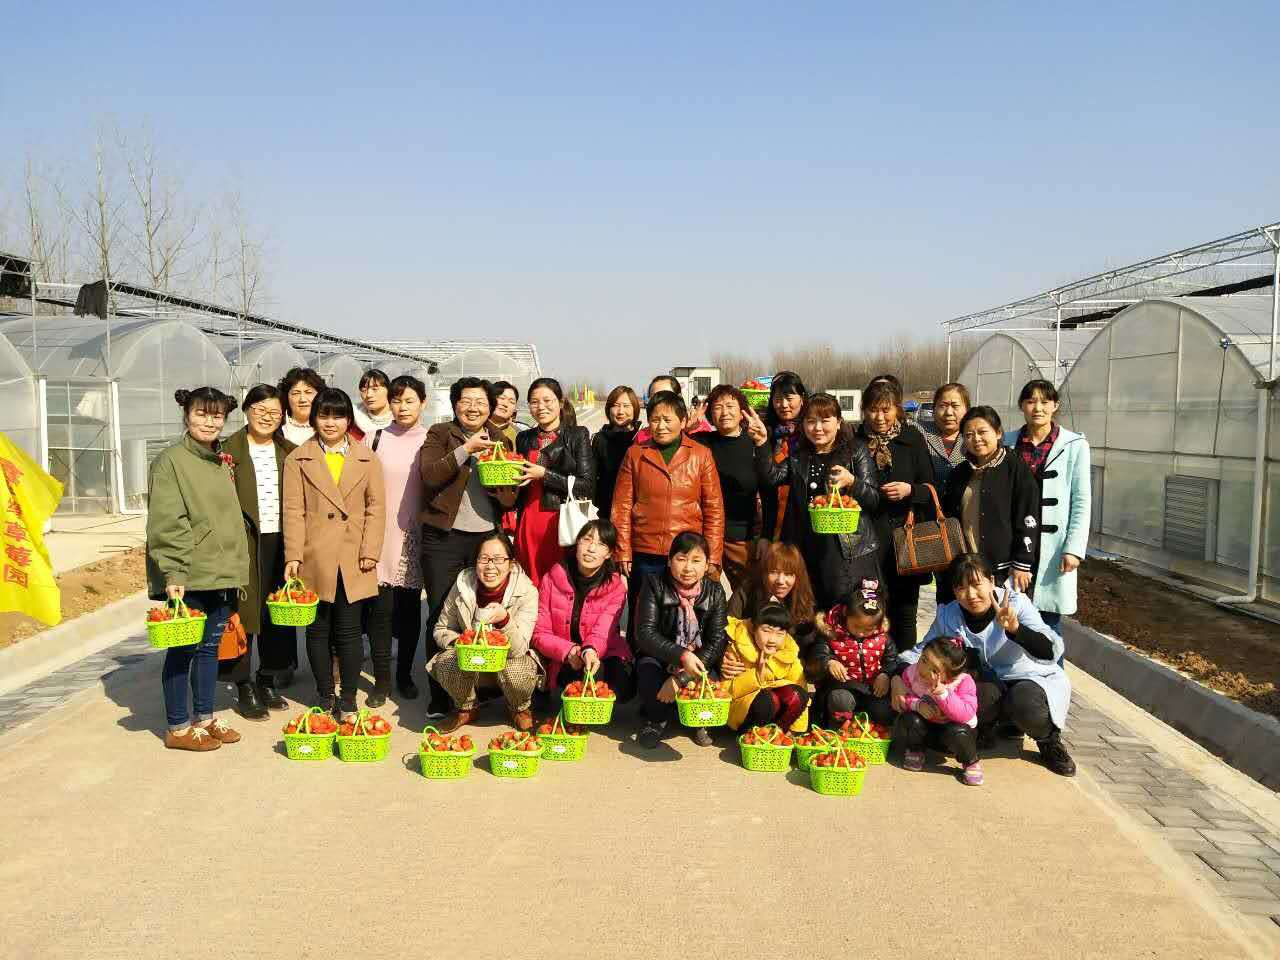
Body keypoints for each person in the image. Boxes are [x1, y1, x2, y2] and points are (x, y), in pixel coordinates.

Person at [897, 553, 1074, 776]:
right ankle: (983, 729)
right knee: (969, 696)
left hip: (1027, 678)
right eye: (961, 588)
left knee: (1025, 703)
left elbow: (1051, 649)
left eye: (976, 584)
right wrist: (897, 676)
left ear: (991, 580)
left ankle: (1048, 741)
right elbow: (920, 652)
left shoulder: (1016, 604)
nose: (970, 595)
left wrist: (1016, 629)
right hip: (987, 684)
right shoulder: (949, 615)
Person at [145, 387, 248, 751]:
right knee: (183, 650)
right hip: (190, 573)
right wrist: (174, 573)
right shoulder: (171, 462)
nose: (209, 422)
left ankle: (203, 719)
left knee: (209, 648)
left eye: (217, 415)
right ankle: (177, 727)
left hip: (220, 570)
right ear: (186, 415)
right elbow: (167, 521)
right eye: (201, 413)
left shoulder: (219, 459)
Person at [282, 388, 386, 720]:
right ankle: (325, 694)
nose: (330, 422)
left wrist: (370, 550)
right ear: (314, 419)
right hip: (315, 554)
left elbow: (376, 508)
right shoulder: (297, 459)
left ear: (348, 420)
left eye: (338, 415)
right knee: (317, 629)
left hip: (354, 554)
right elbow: (293, 511)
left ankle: (349, 697)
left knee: (350, 629)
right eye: (323, 415)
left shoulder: (367, 458)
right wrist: (293, 555)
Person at [418, 377, 519, 715]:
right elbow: (429, 475)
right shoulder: (440, 434)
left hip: (484, 540)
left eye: (481, 402)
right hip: (443, 539)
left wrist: (497, 475)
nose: (474, 408)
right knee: (441, 615)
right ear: (455, 404)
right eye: (466, 401)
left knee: (480, 615)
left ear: (491, 408)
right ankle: (439, 694)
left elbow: (509, 498)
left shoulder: (501, 440)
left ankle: (474, 689)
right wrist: (466, 450)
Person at [749, 393, 880, 609]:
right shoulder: (799, 455)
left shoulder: (856, 451)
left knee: (843, 612)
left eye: (825, 420)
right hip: (806, 548)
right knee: (805, 610)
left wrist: (852, 482)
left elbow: (874, 500)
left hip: (845, 551)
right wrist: (762, 443)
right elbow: (771, 477)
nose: (817, 428)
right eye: (810, 421)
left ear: (838, 422)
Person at [611, 391, 725, 628]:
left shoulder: (701, 455)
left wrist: (713, 557)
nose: (661, 426)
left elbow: (714, 509)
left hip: (686, 553)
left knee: (681, 621)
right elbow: (621, 507)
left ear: (683, 421)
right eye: (655, 419)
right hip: (645, 552)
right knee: (642, 620)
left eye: (667, 419)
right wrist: (623, 551)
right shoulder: (635, 454)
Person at [219, 384, 297, 719]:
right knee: (244, 613)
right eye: (260, 409)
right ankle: (243, 684)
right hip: (244, 542)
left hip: (280, 540)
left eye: (274, 412)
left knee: (277, 614)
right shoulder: (227, 452)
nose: (267, 417)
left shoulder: (290, 452)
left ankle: (268, 677)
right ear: (247, 410)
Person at [429, 531, 540, 732]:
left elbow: (519, 649)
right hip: (474, 665)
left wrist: (504, 620)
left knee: (518, 669)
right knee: (446, 662)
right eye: (484, 559)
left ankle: (519, 708)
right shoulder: (462, 586)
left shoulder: (527, 591)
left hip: (510, 663)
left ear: (511, 563)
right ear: (476, 562)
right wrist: (462, 643)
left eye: (498, 559)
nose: (490, 566)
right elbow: (441, 629)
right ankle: (466, 708)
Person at [1006, 379, 1092, 636]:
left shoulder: (1074, 445)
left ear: (1056, 405)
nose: (1038, 408)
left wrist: (1074, 549)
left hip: (1052, 547)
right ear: (1021, 405)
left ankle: (1051, 663)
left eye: (1045, 401)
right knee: (1008, 619)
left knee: (1047, 625)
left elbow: (1081, 501)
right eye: (1031, 401)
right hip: (1015, 543)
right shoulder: (1007, 443)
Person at [857, 379, 937, 649]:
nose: (879, 417)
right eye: (873, 410)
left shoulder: (912, 439)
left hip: (905, 539)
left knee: (904, 615)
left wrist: (909, 490)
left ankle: (903, 666)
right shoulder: (856, 441)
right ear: (864, 410)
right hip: (867, 540)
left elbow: (930, 487)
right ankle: (873, 665)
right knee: (870, 610)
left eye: (886, 410)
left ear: (897, 410)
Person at [365, 375, 429, 706]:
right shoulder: (374, 438)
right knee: (380, 613)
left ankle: (404, 675)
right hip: (379, 534)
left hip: (413, 537)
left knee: (409, 613)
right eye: (396, 400)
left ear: (423, 403)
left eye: (409, 400)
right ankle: (382, 681)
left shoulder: (431, 440)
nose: (402, 407)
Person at [633, 532, 729, 749]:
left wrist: (681, 677)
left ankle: (699, 722)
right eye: (681, 559)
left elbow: (716, 641)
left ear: (707, 565)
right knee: (648, 674)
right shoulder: (654, 584)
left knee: (709, 686)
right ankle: (656, 720)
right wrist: (682, 656)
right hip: (661, 657)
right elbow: (645, 633)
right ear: (669, 561)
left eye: (696, 561)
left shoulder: (715, 591)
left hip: (700, 660)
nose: (688, 568)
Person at [531, 519, 635, 702]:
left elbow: (602, 631)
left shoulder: (615, 587)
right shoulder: (552, 578)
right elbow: (540, 632)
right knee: (576, 685)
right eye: (587, 539)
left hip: (600, 652)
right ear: (577, 542)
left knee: (616, 685)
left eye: (601, 544)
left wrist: (589, 650)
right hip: (561, 655)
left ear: (609, 553)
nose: (591, 549)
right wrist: (569, 650)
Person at [943, 406, 1040, 593]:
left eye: (982, 432)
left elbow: (1028, 516)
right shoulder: (960, 473)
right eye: (969, 435)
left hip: (1004, 570)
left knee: (1003, 611)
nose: (976, 439)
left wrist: (1022, 563)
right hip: (966, 568)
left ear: (998, 433)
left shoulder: (1015, 468)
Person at [513, 377, 594, 587]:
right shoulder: (524, 438)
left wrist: (545, 475)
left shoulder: (577, 435)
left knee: (560, 583)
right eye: (534, 402)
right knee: (529, 583)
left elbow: (586, 485)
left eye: (547, 400)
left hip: (562, 521)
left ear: (560, 402)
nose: (541, 407)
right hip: (529, 520)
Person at [694, 384, 769, 591]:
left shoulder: (754, 442)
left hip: (742, 537)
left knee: (747, 595)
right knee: (703, 596)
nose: (724, 412)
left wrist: (764, 535)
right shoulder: (700, 442)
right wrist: (687, 428)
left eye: (730, 406)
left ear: (741, 411)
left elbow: (769, 487)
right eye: (718, 407)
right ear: (710, 413)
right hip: (705, 535)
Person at [893, 634, 981, 785]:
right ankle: (916, 750)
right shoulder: (912, 673)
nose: (923, 669)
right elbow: (905, 697)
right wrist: (917, 705)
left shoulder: (963, 682)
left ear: (949, 677)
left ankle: (970, 762)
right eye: (923, 660)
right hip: (927, 730)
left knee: (958, 732)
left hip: (951, 734)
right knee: (909, 719)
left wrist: (943, 694)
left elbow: (965, 714)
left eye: (934, 670)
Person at [809, 578, 896, 729]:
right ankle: (839, 727)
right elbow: (818, 653)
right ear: (845, 613)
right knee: (839, 700)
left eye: (869, 629)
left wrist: (885, 674)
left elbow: (892, 659)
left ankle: (868, 728)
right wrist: (829, 661)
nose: (861, 633)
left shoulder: (882, 638)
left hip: (872, 690)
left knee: (884, 711)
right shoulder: (832, 634)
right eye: (856, 626)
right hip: (843, 687)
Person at [724, 602, 809, 733]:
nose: (772, 640)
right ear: (754, 628)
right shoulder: (738, 647)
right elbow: (725, 691)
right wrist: (756, 675)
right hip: (743, 713)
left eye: (780, 633)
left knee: (798, 694)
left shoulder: (788, 652)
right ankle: (750, 737)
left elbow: (801, 690)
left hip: (775, 716)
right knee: (767, 700)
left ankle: (778, 733)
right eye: (766, 631)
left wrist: (795, 730)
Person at [725, 540, 817, 657]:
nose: (780, 581)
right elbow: (726, 626)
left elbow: (806, 647)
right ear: (764, 573)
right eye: (774, 572)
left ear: (797, 577)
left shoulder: (802, 601)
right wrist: (727, 656)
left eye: (788, 574)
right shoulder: (748, 591)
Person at [760, 371, 808, 543]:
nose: (784, 405)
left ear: (802, 398)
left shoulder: (813, 433)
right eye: (778, 399)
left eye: (789, 398)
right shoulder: (766, 433)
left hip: (806, 518)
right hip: (773, 517)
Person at [591, 385, 641, 522]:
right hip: (605, 511)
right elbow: (592, 479)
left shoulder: (642, 438)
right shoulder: (599, 439)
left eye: (626, 406)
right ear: (608, 409)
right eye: (616, 406)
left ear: (635, 409)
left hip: (636, 512)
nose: (620, 411)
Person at [919, 382, 970, 489]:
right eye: (943, 406)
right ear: (934, 409)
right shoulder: (919, 431)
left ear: (967, 410)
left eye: (955, 406)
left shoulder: (974, 437)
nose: (949, 412)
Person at [634, 375, 711, 443]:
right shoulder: (642, 435)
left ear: (679, 397)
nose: (660, 401)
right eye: (655, 396)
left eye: (666, 396)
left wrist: (685, 432)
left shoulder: (699, 427)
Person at [277, 367, 324, 446]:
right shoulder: (276, 428)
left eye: (308, 392)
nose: (302, 399)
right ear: (286, 397)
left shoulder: (329, 428)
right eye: (296, 393)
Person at [351, 368, 393, 442]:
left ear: (388, 390)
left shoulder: (400, 419)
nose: (369, 395)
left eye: (375, 389)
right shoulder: (352, 416)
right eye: (364, 390)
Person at [486, 380, 521, 449]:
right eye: (502, 398)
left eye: (511, 402)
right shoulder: (477, 428)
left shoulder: (519, 435)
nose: (505, 404)